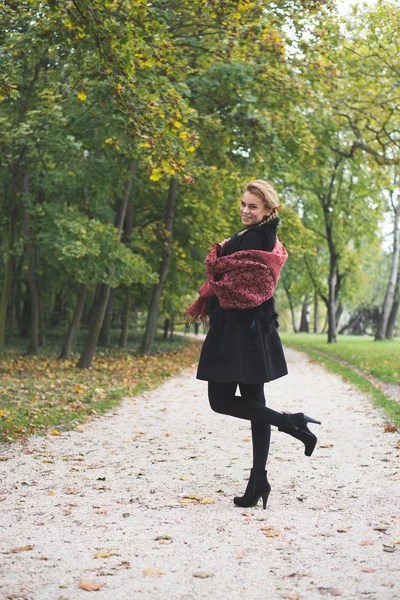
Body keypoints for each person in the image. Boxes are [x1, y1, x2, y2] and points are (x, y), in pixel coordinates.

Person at [185, 179, 321, 510]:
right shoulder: (248, 236)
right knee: (252, 404)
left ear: (268, 211)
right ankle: (259, 479)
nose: (245, 210)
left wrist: (218, 274)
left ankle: (289, 425)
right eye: (243, 204)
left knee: (221, 400)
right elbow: (226, 276)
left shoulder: (261, 237)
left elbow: (245, 282)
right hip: (241, 327)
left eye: (253, 206)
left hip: (241, 328)